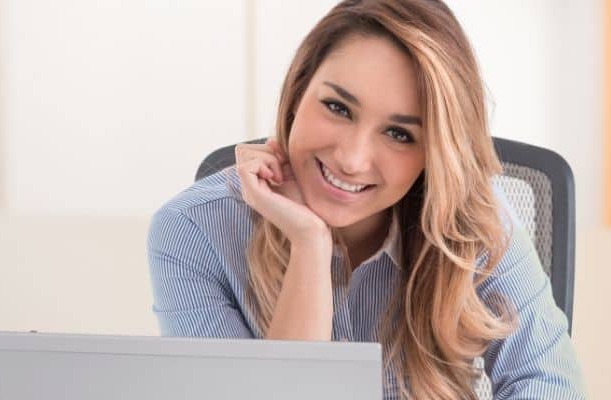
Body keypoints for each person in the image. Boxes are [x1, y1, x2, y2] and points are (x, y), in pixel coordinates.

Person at [147, 0, 586, 398]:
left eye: (399, 134)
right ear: (298, 92)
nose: (353, 160)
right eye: (338, 107)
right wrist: (310, 244)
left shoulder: (470, 219)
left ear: (432, 153)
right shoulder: (193, 231)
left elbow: (547, 383)